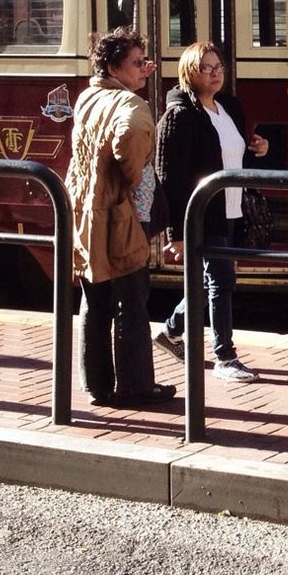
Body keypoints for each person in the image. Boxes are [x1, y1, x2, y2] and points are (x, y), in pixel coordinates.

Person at [65, 28, 174, 408]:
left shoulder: (88, 97)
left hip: (86, 213)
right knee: (132, 300)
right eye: (136, 63)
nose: (145, 69)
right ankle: (136, 385)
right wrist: (133, 174)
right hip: (122, 214)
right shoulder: (131, 105)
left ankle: (96, 384)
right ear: (113, 66)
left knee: (95, 298)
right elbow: (130, 140)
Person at [154, 42, 269, 382]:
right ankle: (225, 357)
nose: (216, 73)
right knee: (221, 281)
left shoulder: (228, 106)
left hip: (232, 207)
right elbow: (169, 178)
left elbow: (236, 154)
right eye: (207, 67)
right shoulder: (180, 115)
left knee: (211, 282)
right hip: (203, 211)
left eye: (219, 66)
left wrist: (259, 148)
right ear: (190, 72)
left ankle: (171, 331)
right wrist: (176, 233)